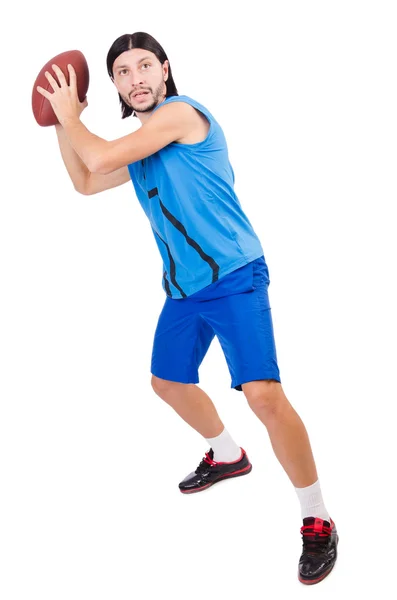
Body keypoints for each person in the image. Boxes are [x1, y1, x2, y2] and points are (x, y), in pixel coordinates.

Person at [37, 31, 339, 585]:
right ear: (116, 87)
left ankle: (317, 517)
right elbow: (85, 179)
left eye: (145, 65)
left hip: (235, 276)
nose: (137, 78)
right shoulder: (146, 148)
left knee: (263, 396)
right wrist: (62, 122)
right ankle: (227, 456)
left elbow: (99, 152)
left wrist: (71, 118)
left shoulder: (180, 116)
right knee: (167, 381)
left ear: (165, 69)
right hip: (184, 288)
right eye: (123, 73)